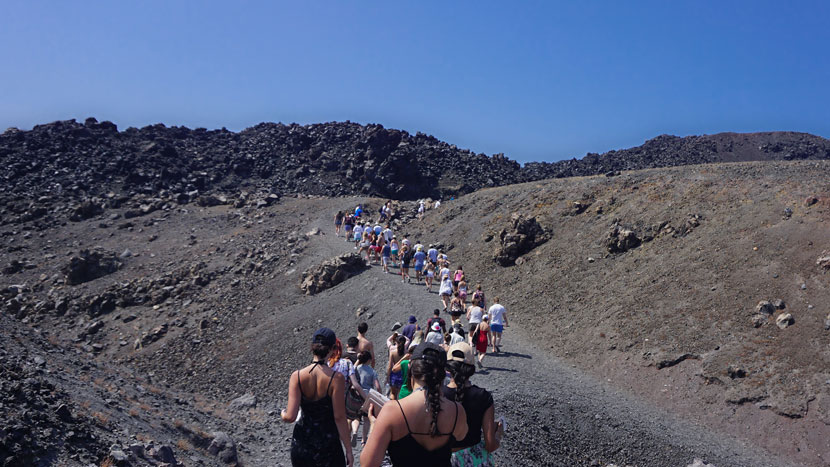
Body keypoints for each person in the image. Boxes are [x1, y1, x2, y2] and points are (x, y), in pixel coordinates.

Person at [360, 343, 468, 467]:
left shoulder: (392, 411)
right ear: (442, 373)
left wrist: (373, 426)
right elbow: (461, 435)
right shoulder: (457, 411)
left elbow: (367, 464)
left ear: (410, 368)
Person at [281, 328, 353, 467]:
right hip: (328, 443)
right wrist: (348, 450)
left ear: (312, 347)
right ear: (332, 349)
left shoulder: (297, 376)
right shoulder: (336, 379)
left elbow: (290, 416)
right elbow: (339, 417)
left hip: (303, 443)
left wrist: (282, 414)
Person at [443, 343, 503, 467]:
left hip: (443, 460)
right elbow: (490, 445)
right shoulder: (483, 397)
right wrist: (498, 434)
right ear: (471, 369)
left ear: (448, 368)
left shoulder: (436, 396)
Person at [355, 350, 383, 445]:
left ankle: (353, 433)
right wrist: (380, 395)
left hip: (357, 395)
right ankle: (364, 440)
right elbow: (378, 386)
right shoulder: (372, 371)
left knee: (356, 418)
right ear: (369, 360)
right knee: (367, 419)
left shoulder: (356, 368)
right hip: (367, 397)